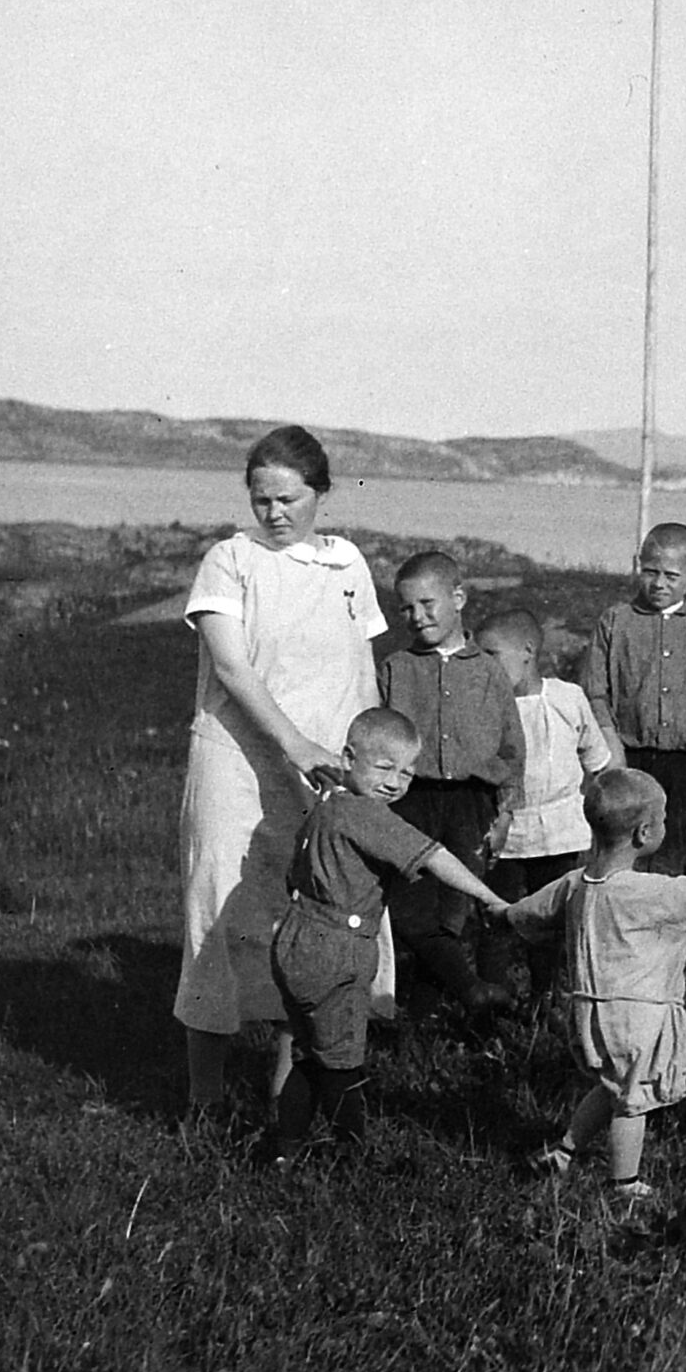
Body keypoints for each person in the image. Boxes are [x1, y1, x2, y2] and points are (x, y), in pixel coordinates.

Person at [174, 425, 389, 1121]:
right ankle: (203, 1105)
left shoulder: (348, 564)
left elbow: (360, 670)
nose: (274, 513)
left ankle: (286, 1105)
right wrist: (295, 744)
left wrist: (369, 763)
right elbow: (232, 668)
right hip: (238, 765)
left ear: (320, 494)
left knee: (317, 927)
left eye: (289, 498)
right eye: (261, 499)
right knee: (220, 914)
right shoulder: (227, 560)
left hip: (325, 769)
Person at [508, 770, 686, 1205]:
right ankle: (624, 1184)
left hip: (588, 1012)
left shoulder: (575, 884)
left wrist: (500, 912)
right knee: (634, 1101)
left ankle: (564, 1151)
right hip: (635, 1015)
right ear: (645, 832)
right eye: (662, 819)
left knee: (612, 1086)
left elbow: (528, 913)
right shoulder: (650, 892)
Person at [267, 709, 512, 1167]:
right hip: (336, 948)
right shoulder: (367, 816)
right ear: (348, 757)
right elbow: (435, 858)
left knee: (308, 1052)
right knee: (342, 1063)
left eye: (407, 772)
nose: (396, 781)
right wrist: (489, 897)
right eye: (384, 767)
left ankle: (286, 1150)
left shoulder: (331, 799)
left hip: (296, 936)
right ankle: (355, 1157)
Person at [378, 550, 524, 1019]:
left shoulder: (488, 671)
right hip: (410, 801)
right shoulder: (395, 668)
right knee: (410, 912)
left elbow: (511, 748)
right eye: (406, 608)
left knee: (453, 913)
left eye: (427, 604)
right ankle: (468, 989)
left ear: (457, 598)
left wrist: (503, 813)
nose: (417, 617)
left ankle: (422, 1017)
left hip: (471, 802)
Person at [474, 608, 616, 1003]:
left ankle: (546, 997)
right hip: (504, 832)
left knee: (552, 917)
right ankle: (491, 1000)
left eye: (492, 655)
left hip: (560, 830)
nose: (485, 667)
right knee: (496, 916)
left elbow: (596, 759)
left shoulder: (567, 699)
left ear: (527, 651)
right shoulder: (482, 706)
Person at [579, 521, 686, 877]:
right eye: (650, 572)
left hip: (685, 763)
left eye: (671, 575)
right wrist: (611, 747)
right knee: (617, 847)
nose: (659, 584)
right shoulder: (616, 622)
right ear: (638, 565)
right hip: (626, 755)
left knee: (671, 848)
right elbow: (595, 692)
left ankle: (660, 925)